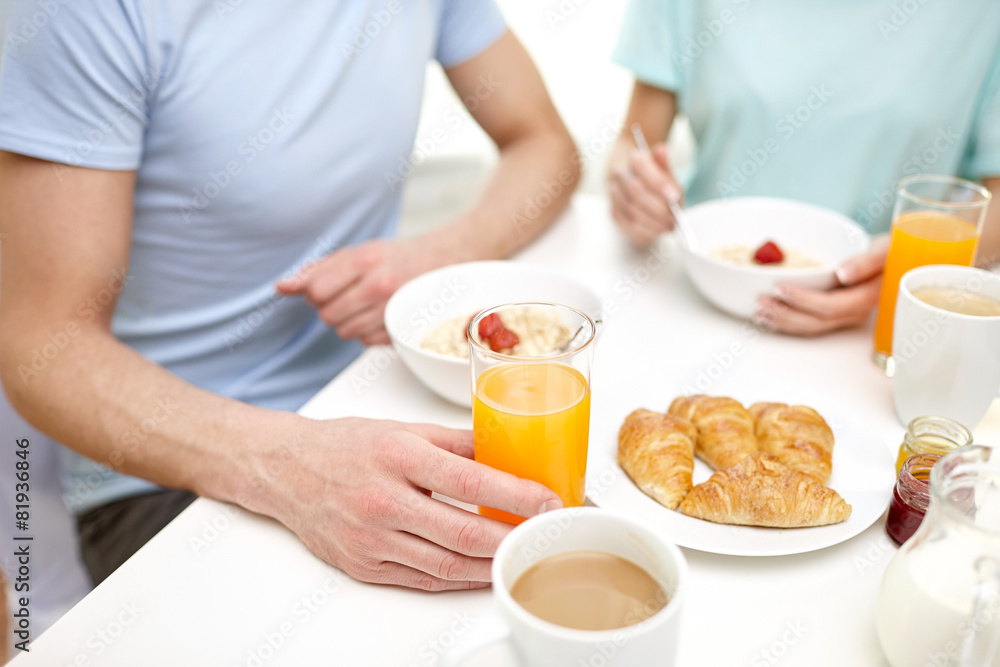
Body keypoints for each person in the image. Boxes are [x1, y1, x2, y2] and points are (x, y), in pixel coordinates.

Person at [0, 1, 579, 591]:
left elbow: (544, 144)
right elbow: (40, 345)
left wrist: (435, 256)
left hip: (372, 391)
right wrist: (291, 463)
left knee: (537, 580)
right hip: (167, 467)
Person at [607, 0, 1000, 336]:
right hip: (693, 306)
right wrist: (634, 188)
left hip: (887, 330)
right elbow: (634, 140)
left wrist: (912, 270)